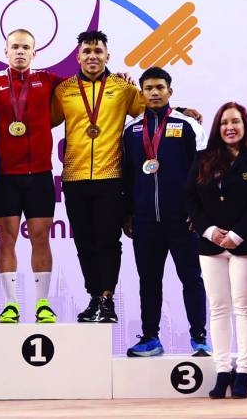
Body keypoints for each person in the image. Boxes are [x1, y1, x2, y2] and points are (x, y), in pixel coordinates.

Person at [50, 30, 145, 323]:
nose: (92, 56)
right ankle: (93, 297)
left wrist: (183, 112)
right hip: (75, 177)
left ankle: (107, 298)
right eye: (87, 51)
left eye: (98, 51)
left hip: (111, 175)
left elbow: (152, 110)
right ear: (78, 57)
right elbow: (40, 120)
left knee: (108, 240)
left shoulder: (123, 88)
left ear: (108, 56)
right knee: (85, 242)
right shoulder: (63, 90)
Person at [0, 28, 63, 324]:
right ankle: (10, 303)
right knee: (6, 238)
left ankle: (42, 304)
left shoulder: (48, 80)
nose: (20, 52)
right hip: (5, 177)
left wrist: (119, 76)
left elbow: (87, 88)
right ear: (6, 51)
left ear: (35, 53)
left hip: (39, 175)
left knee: (41, 238)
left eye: (26, 47)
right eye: (15, 47)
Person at [186, 102, 247, 399]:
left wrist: (236, 234)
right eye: (224, 122)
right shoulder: (203, 158)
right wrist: (209, 231)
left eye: (236, 122)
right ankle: (223, 370)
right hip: (209, 244)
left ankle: (244, 370)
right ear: (217, 127)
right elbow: (190, 200)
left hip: (246, 244)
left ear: (245, 125)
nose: (230, 127)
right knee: (219, 308)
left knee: (244, 306)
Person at [122, 67, 210, 357]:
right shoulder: (132, 130)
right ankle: (150, 337)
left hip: (182, 220)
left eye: (160, 87)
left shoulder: (187, 125)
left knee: (192, 278)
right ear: (142, 93)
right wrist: (128, 213)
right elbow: (127, 176)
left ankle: (199, 337)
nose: (155, 92)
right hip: (145, 221)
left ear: (170, 91)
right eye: (148, 88)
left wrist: (198, 213)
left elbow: (204, 172)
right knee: (148, 281)